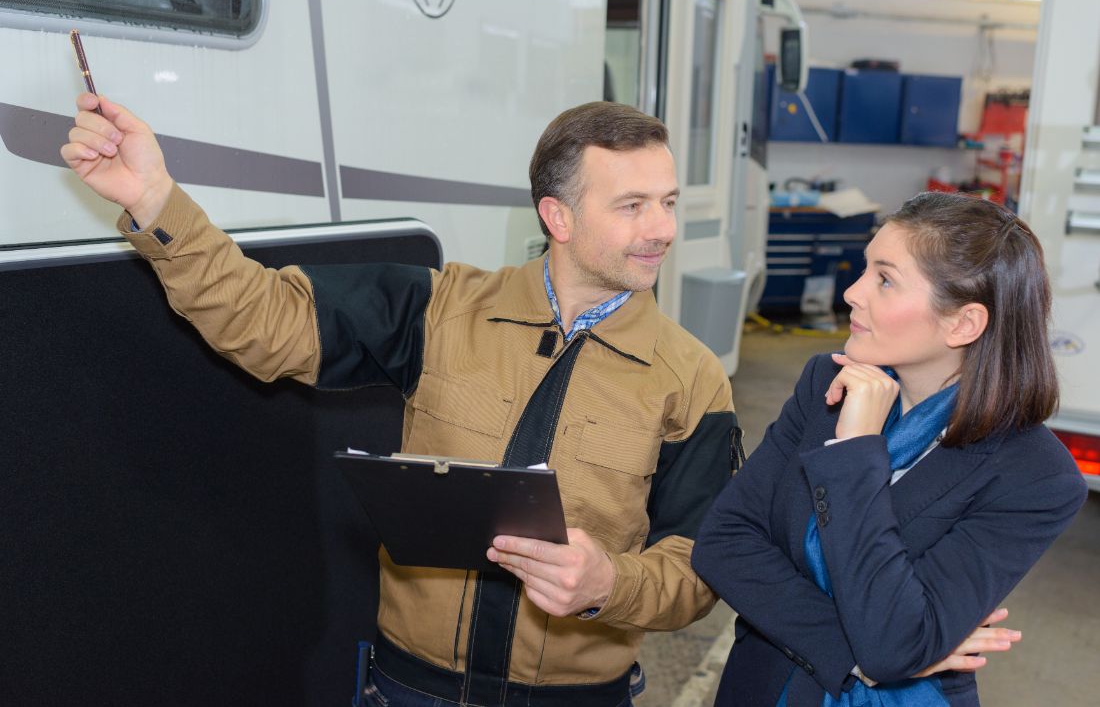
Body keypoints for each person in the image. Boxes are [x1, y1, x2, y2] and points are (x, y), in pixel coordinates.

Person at [61, 93, 740, 707]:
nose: (662, 229)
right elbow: (259, 317)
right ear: (556, 216)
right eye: (632, 206)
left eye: (669, 201)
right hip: (410, 689)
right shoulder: (439, 308)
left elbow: (699, 570)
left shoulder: (691, 378)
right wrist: (154, 198)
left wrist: (608, 585)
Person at [691, 192, 1088, 707]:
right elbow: (722, 543)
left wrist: (856, 450)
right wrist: (853, 654)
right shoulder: (825, 384)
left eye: (884, 279)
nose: (853, 292)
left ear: (962, 324)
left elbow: (892, 639)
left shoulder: (1034, 477)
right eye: (865, 270)